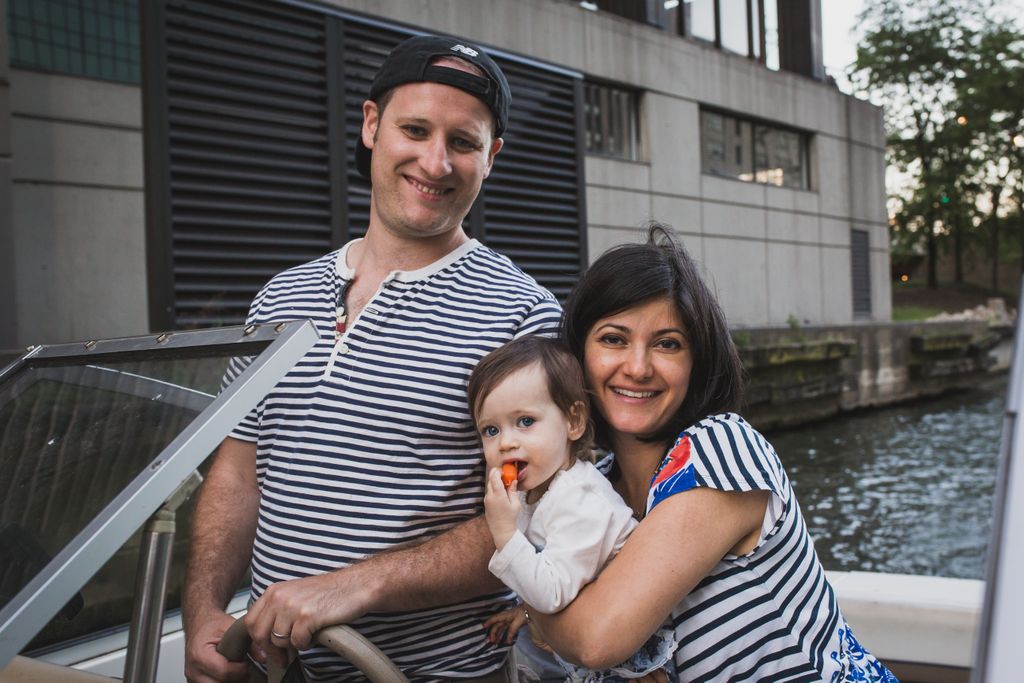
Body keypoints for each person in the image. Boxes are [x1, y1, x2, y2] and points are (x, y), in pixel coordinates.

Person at [182, 34, 562, 683]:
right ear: (370, 124)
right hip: (271, 667)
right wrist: (202, 610)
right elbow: (238, 474)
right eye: (415, 130)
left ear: (491, 157)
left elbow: (533, 517)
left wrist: (354, 585)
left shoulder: (523, 316)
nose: (435, 162)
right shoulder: (280, 295)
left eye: (463, 142)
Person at [523, 224, 898, 682]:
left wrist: (535, 605)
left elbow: (595, 640)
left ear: (696, 363)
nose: (637, 367)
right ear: (578, 355)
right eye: (613, 339)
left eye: (667, 344)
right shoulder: (591, 485)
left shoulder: (721, 450)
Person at [467, 335, 676, 682]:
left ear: (573, 421)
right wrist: (526, 610)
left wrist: (503, 531)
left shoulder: (581, 499)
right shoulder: (534, 491)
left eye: (525, 421)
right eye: (491, 430)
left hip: (632, 659)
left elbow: (551, 593)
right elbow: (561, 572)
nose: (506, 442)